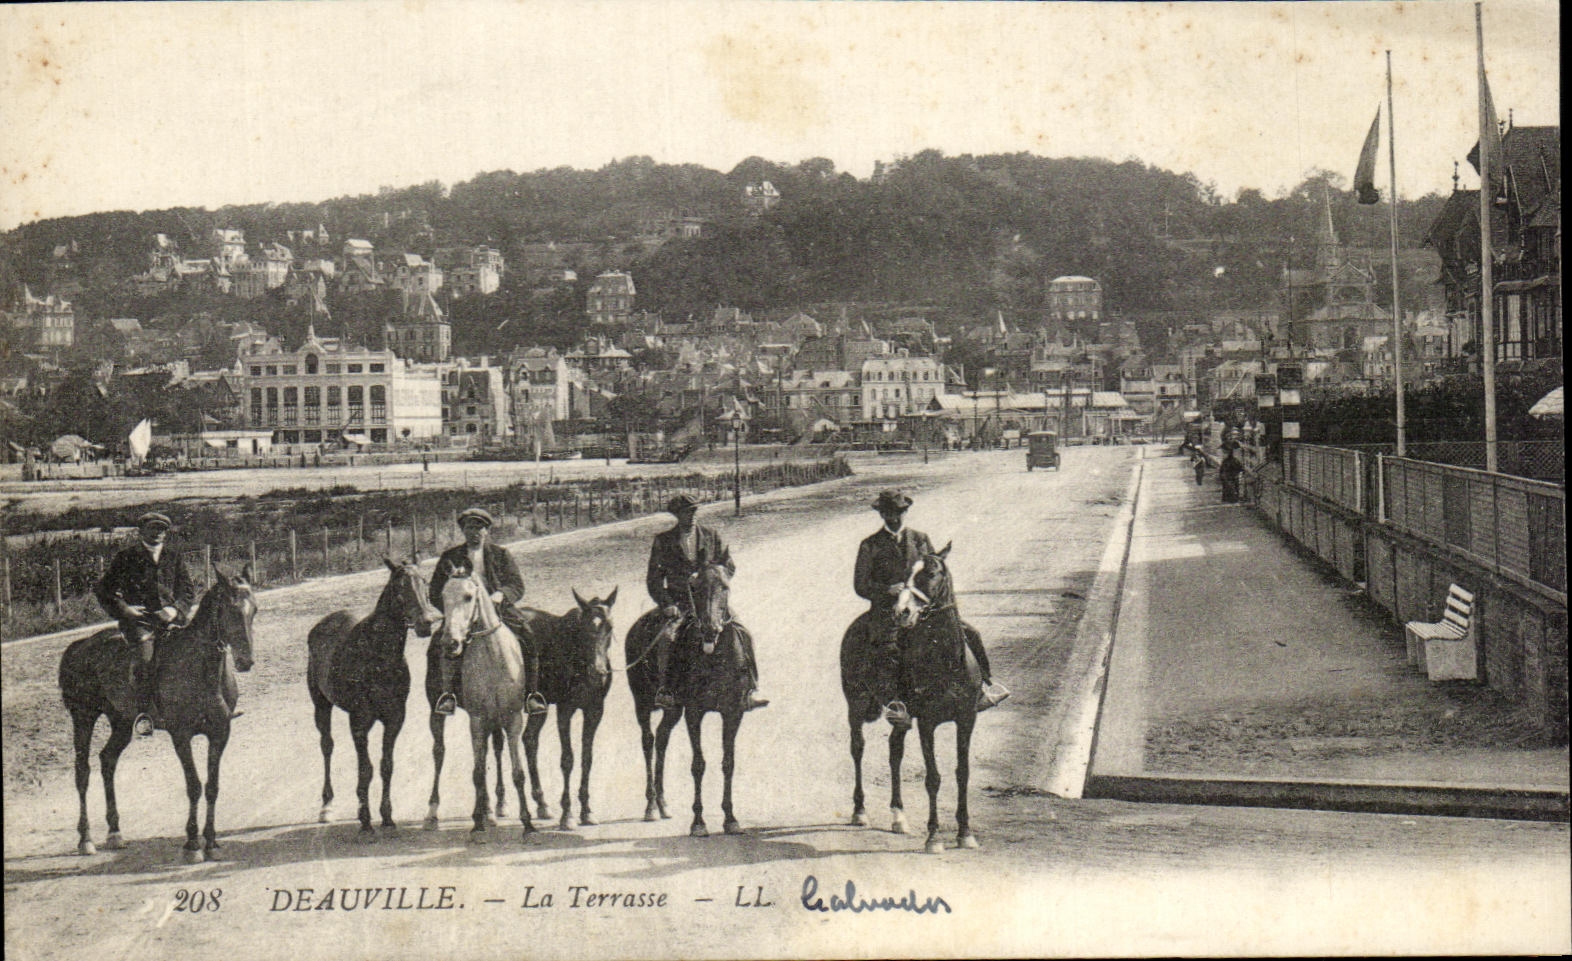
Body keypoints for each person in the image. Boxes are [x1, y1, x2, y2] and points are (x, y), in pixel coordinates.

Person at [854, 490, 1000, 728]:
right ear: (881, 514)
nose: (895, 518)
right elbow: (860, 585)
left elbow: (933, 571)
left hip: (920, 610)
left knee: (970, 633)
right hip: (888, 611)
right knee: (889, 650)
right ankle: (896, 703)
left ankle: (983, 687)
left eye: (899, 512)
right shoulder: (870, 545)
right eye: (889, 513)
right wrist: (887, 590)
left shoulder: (920, 539)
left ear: (905, 512)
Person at [646, 494, 768, 711]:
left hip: (710, 601)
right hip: (680, 603)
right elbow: (654, 580)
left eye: (694, 511)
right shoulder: (663, 541)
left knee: (743, 632)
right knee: (667, 638)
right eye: (687, 512)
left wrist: (713, 575)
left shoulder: (711, 536)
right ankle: (666, 690)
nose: (692, 516)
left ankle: (750, 689)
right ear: (677, 515)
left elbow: (729, 565)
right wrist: (667, 604)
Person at [428, 507, 545, 716]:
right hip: (463, 613)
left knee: (528, 635)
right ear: (463, 531)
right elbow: (436, 591)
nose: (474, 533)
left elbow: (517, 585)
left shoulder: (500, 554)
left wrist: (501, 594)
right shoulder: (450, 557)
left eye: (479, 528)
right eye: (469, 528)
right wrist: (454, 610)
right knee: (439, 643)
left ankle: (531, 694)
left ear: (487, 531)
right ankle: (447, 694)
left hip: (498, 611)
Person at [94, 512, 199, 737]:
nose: (158, 533)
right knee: (145, 660)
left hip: (172, 618)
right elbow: (104, 590)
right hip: (140, 622)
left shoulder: (174, 556)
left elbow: (188, 591)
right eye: (152, 528)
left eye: (162, 529)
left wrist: (175, 610)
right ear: (141, 531)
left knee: (201, 647)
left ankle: (208, 704)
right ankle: (144, 714)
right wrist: (125, 609)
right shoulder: (126, 557)